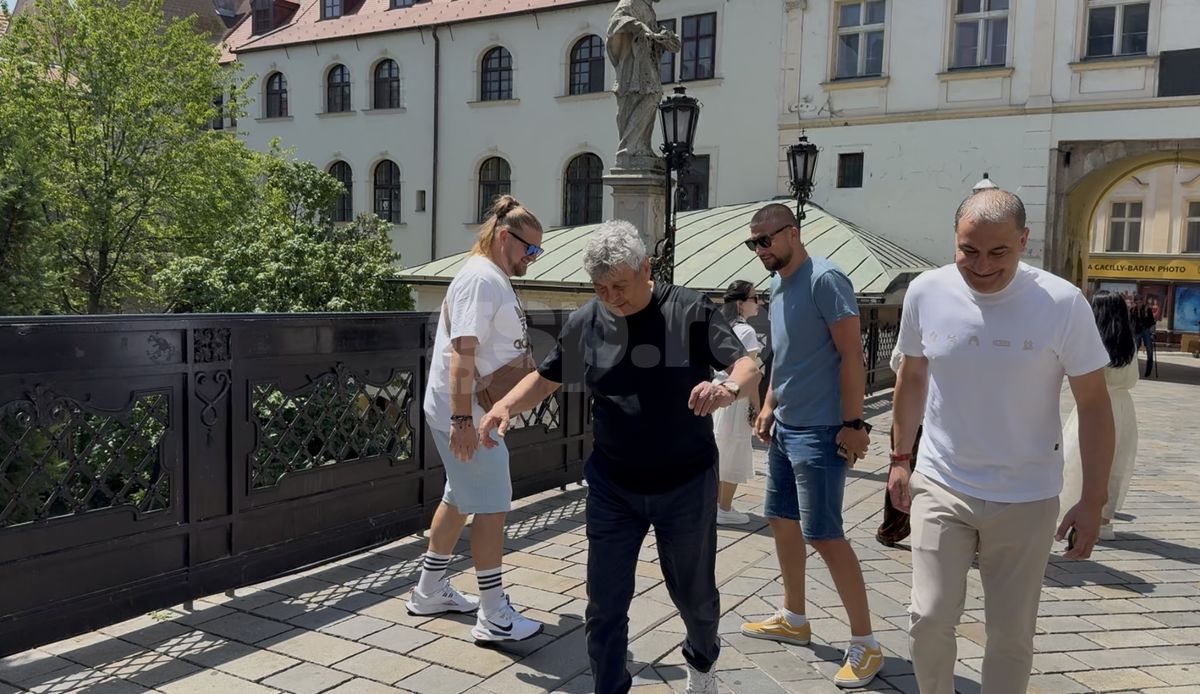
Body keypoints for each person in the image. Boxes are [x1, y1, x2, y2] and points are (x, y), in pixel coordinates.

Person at [479, 221, 759, 694]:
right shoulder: (587, 319)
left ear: (646, 269)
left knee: (694, 596)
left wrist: (728, 388)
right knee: (605, 603)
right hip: (613, 484)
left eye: (620, 286)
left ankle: (702, 659)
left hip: (685, 482)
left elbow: (747, 364)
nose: (611, 297)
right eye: (601, 288)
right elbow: (548, 377)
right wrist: (505, 404)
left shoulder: (688, 310)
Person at [888, 189, 1115, 694]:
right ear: (954, 240)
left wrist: (1093, 499)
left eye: (999, 252)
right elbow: (913, 375)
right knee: (928, 617)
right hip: (943, 481)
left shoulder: (1061, 302)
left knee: (1010, 635)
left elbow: (1095, 404)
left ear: (1023, 241)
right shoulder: (927, 291)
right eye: (968, 250)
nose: (981, 266)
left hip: (1028, 493)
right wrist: (900, 458)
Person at [740, 203, 884, 689]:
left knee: (823, 533)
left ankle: (866, 644)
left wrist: (854, 423)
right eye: (753, 242)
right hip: (785, 424)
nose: (760, 249)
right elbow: (785, 352)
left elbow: (851, 355)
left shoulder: (827, 279)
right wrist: (768, 405)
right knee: (781, 521)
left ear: (793, 233)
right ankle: (794, 617)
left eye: (766, 240)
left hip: (822, 429)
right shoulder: (779, 282)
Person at [408, 195, 545, 644]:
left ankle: (429, 591)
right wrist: (464, 419)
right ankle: (494, 615)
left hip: (468, 411)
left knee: (460, 496)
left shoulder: (490, 276)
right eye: (530, 249)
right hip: (469, 414)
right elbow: (462, 351)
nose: (533, 258)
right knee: (491, 505)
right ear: (505, 238)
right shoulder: (482, 280)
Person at [1060, 292, 1139, 541]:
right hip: (1124, 405)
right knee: (1115, 462)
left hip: (1095, 403)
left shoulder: (1092, 341)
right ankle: (1104, 520)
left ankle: (1069, 508)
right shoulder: (1129, 342)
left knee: (1076, 459)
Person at [712, 280, 764, 526]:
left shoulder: (720, 326)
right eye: (755, 298)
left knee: (719, 448)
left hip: (716, 391)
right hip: (736, 396)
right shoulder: (747, 332)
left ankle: (715, 504)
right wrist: (757, 406)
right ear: (741, 303)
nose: (759, 303)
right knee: (734, 450)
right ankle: (724, 507)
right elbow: (750, 374)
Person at [607, 0, 680, 167]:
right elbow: (615, 22)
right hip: (633, 64)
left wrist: (663, 38)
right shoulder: (631, 1)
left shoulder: (649, 9)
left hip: (646, 61)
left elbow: (652, 37)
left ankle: (642, 147)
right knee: (646, 98)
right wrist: (639, 26)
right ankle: (627, 149)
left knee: (653, 96)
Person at [875, 345, 922, 547]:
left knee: (905, 472)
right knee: (903, 473)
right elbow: (899, 362)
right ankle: (891, 529)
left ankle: (892, 529)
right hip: (915, 418)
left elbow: (897, 361)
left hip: (917, 418)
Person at [1131, 297, 1156, 378]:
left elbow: (1152, 322)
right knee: (1134, 352)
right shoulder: (1132, 310)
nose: (1139, 303)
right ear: (1135, 302)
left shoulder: (1147, 309)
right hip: (1137, 331)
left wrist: (1153, 333)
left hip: (1146, 330)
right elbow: (1130, 322)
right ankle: (1133, 370)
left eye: (1140, 302)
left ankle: (1148, 371)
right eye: (1137, 302)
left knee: (1149, 350)